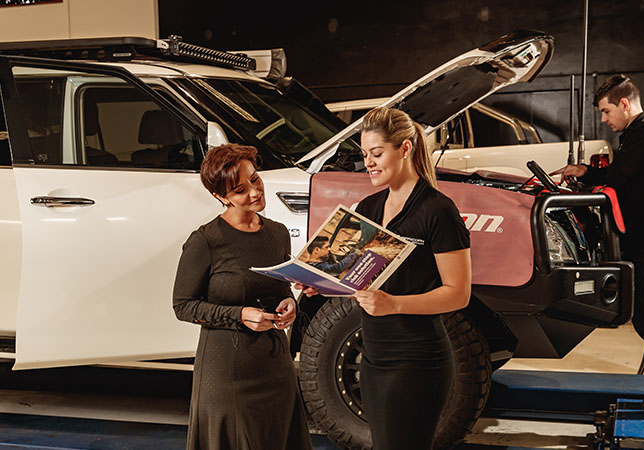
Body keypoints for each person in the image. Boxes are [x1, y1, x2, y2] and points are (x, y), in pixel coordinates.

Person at [300, 107, 472, 449]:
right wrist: (320, 284)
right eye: (365, 155)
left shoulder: (437, 210)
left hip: (418, 360)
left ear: (405, 149)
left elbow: (458, 294)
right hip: (374, 357)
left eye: (377, 153)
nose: (369, 163)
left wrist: (394, 304)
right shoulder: (368, 208)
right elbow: (356, 281)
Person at [172, 143, 313, 450]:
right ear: (220, 197)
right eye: (239, 190)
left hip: (276, 366)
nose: (254, 192)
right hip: (228, 372)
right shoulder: (205, 241)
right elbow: (182, 306)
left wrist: (289, 304)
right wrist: (239, 315)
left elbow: (278, 288)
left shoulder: (277, 233)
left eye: (255, 179)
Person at [551, 74, 644, 365]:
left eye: (606, 111)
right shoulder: (640, 133)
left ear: (624, 103)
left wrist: (587, 175)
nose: (604, 119)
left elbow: (615, 179)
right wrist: (584, 172)